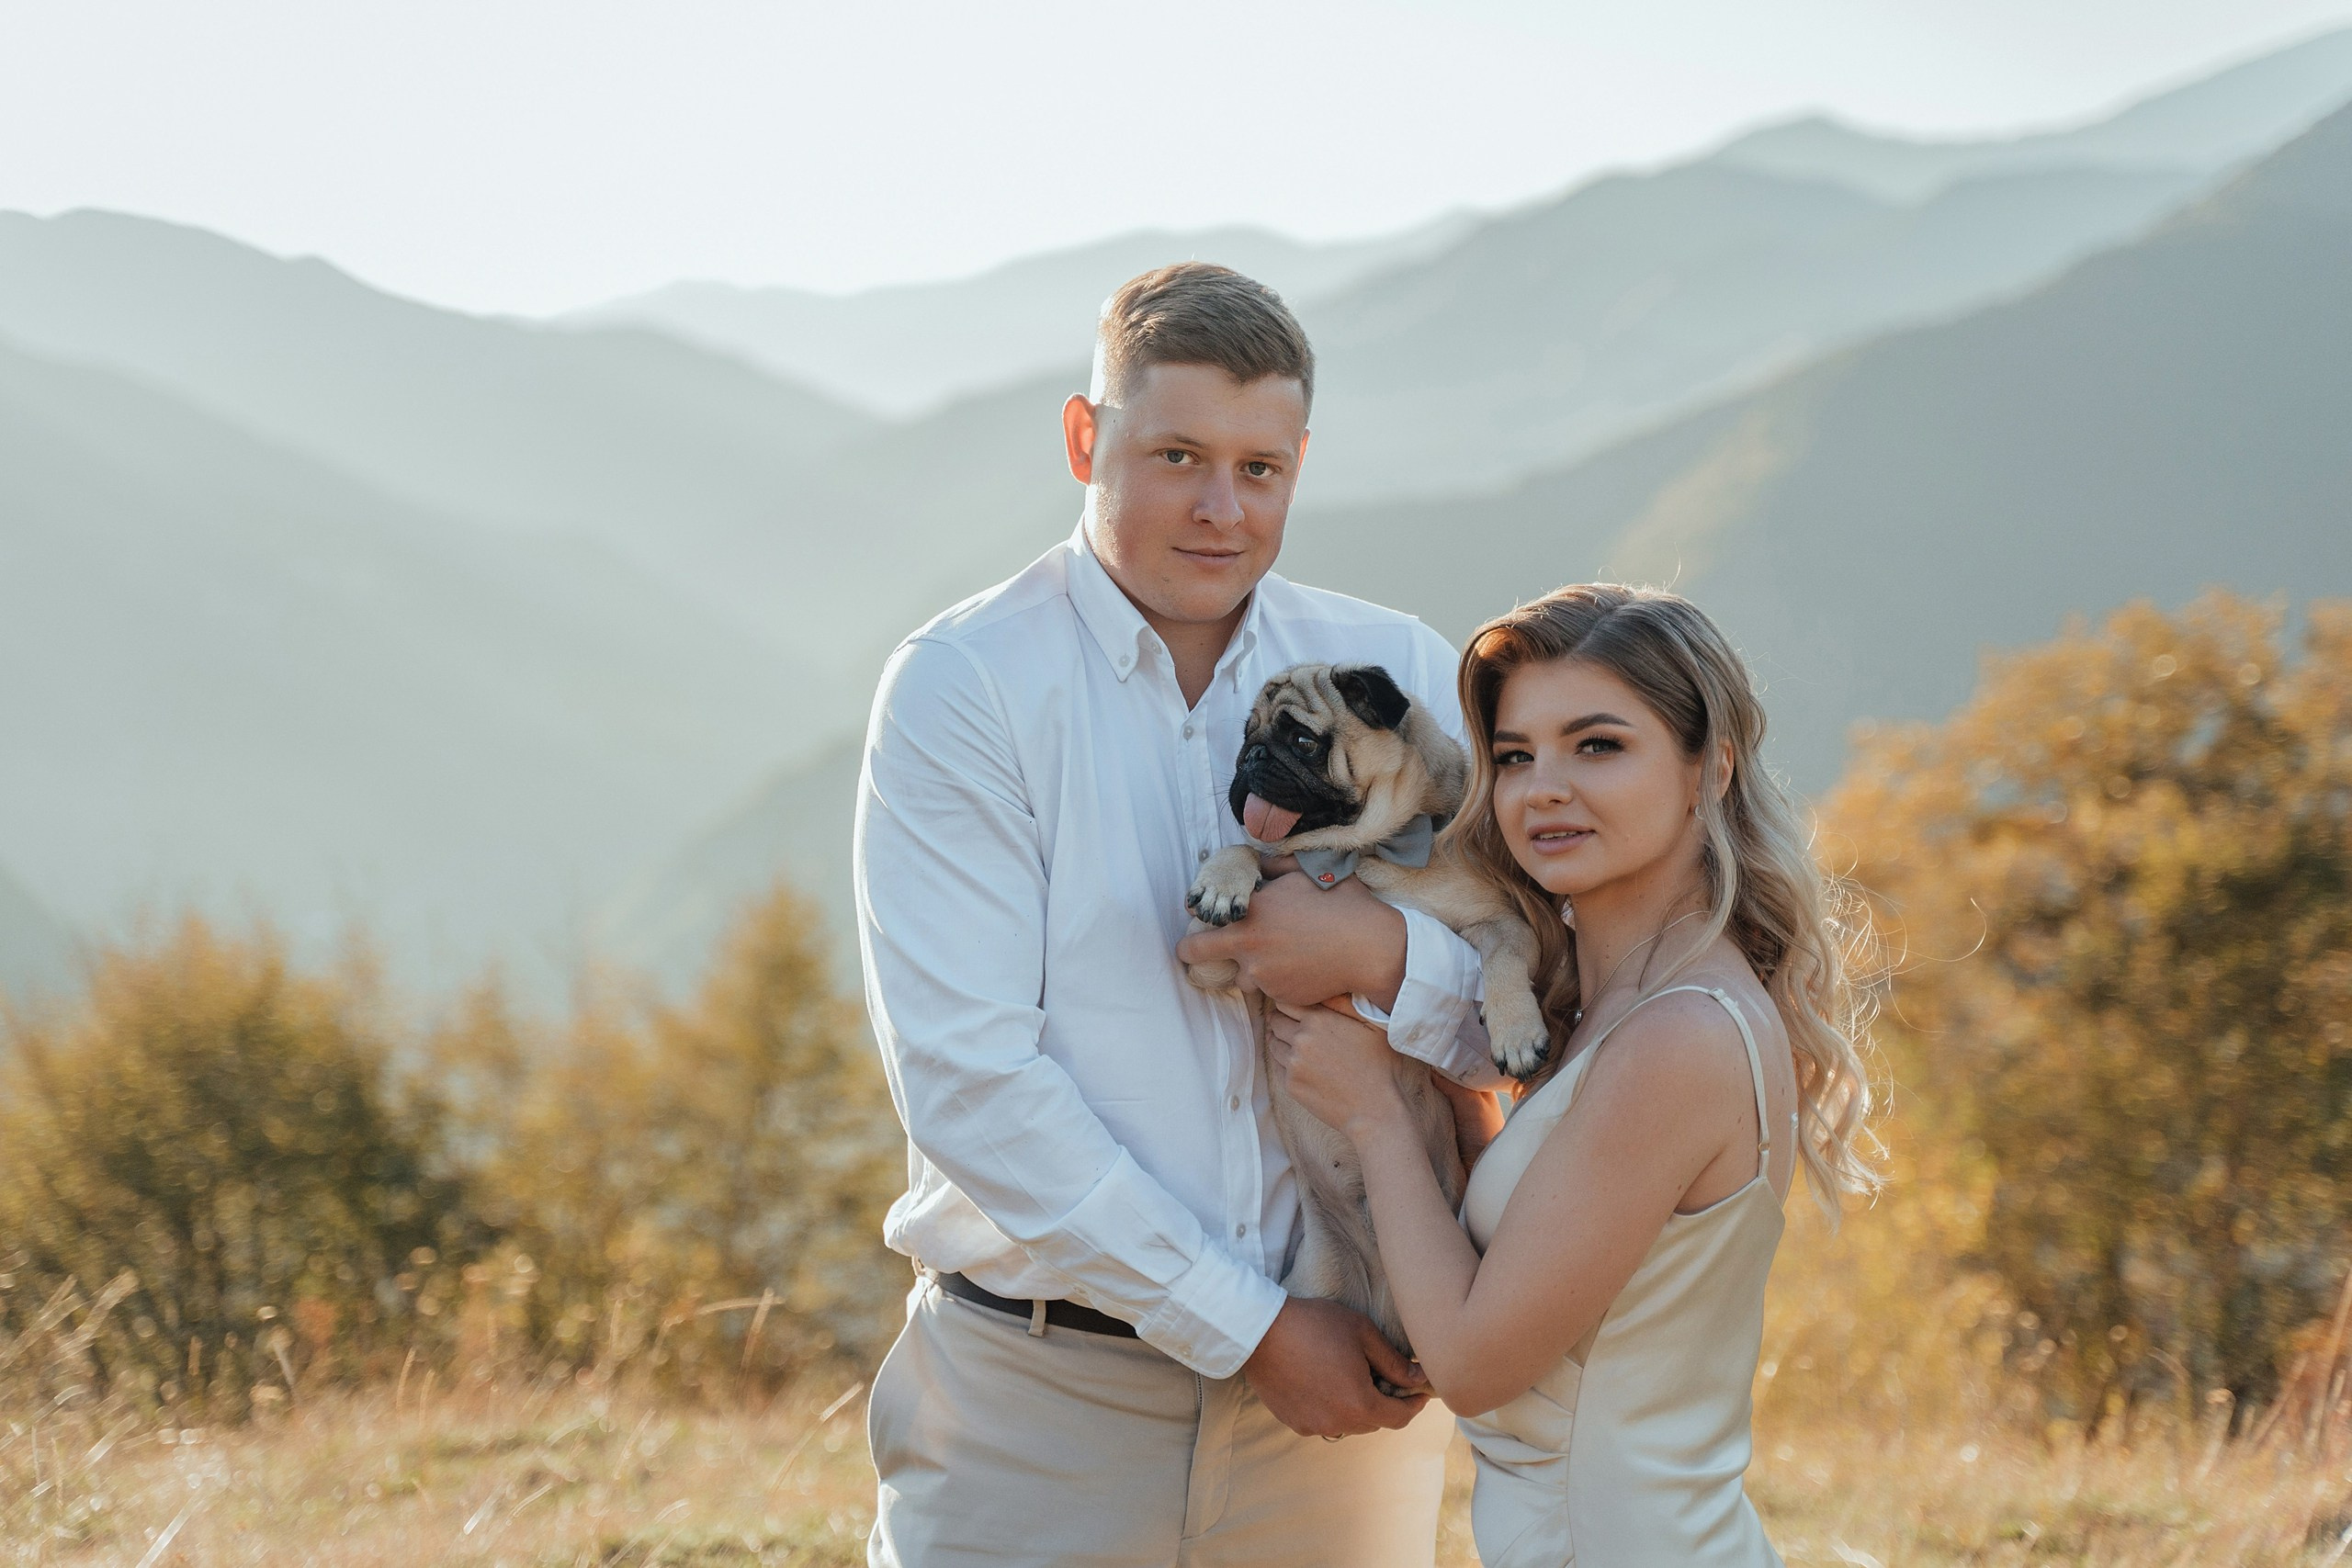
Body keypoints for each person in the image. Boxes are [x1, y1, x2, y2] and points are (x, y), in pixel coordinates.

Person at [854, 262, 1501, 1566]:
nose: (1222, 508)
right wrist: (1252, 1328)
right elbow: (971, 1081)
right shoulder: (964, 688)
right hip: (1041, 1408)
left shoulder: (1409, 674)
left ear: (1300, 464)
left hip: (1353, 1403)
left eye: (1261, 468)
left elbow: (1550, 1005)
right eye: (1178, 455)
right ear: (1086, 439)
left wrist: (1385, 952)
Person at [1269, 585, 1878, 1566]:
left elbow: (1471, 1364)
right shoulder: (1618, 1006)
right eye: (1515, 756)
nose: (1542, 787)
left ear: (1707, 768)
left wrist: (1375, 1115)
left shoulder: (1678, 1037)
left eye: (1597, 746)